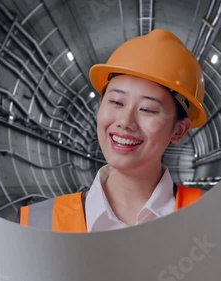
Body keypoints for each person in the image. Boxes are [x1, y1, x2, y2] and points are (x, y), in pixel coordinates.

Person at [19, 29, 207, 232]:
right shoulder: (39, 223)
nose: (126, 121)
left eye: (147, 109)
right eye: (116, 102)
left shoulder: (211, 217)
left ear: (179, 131)